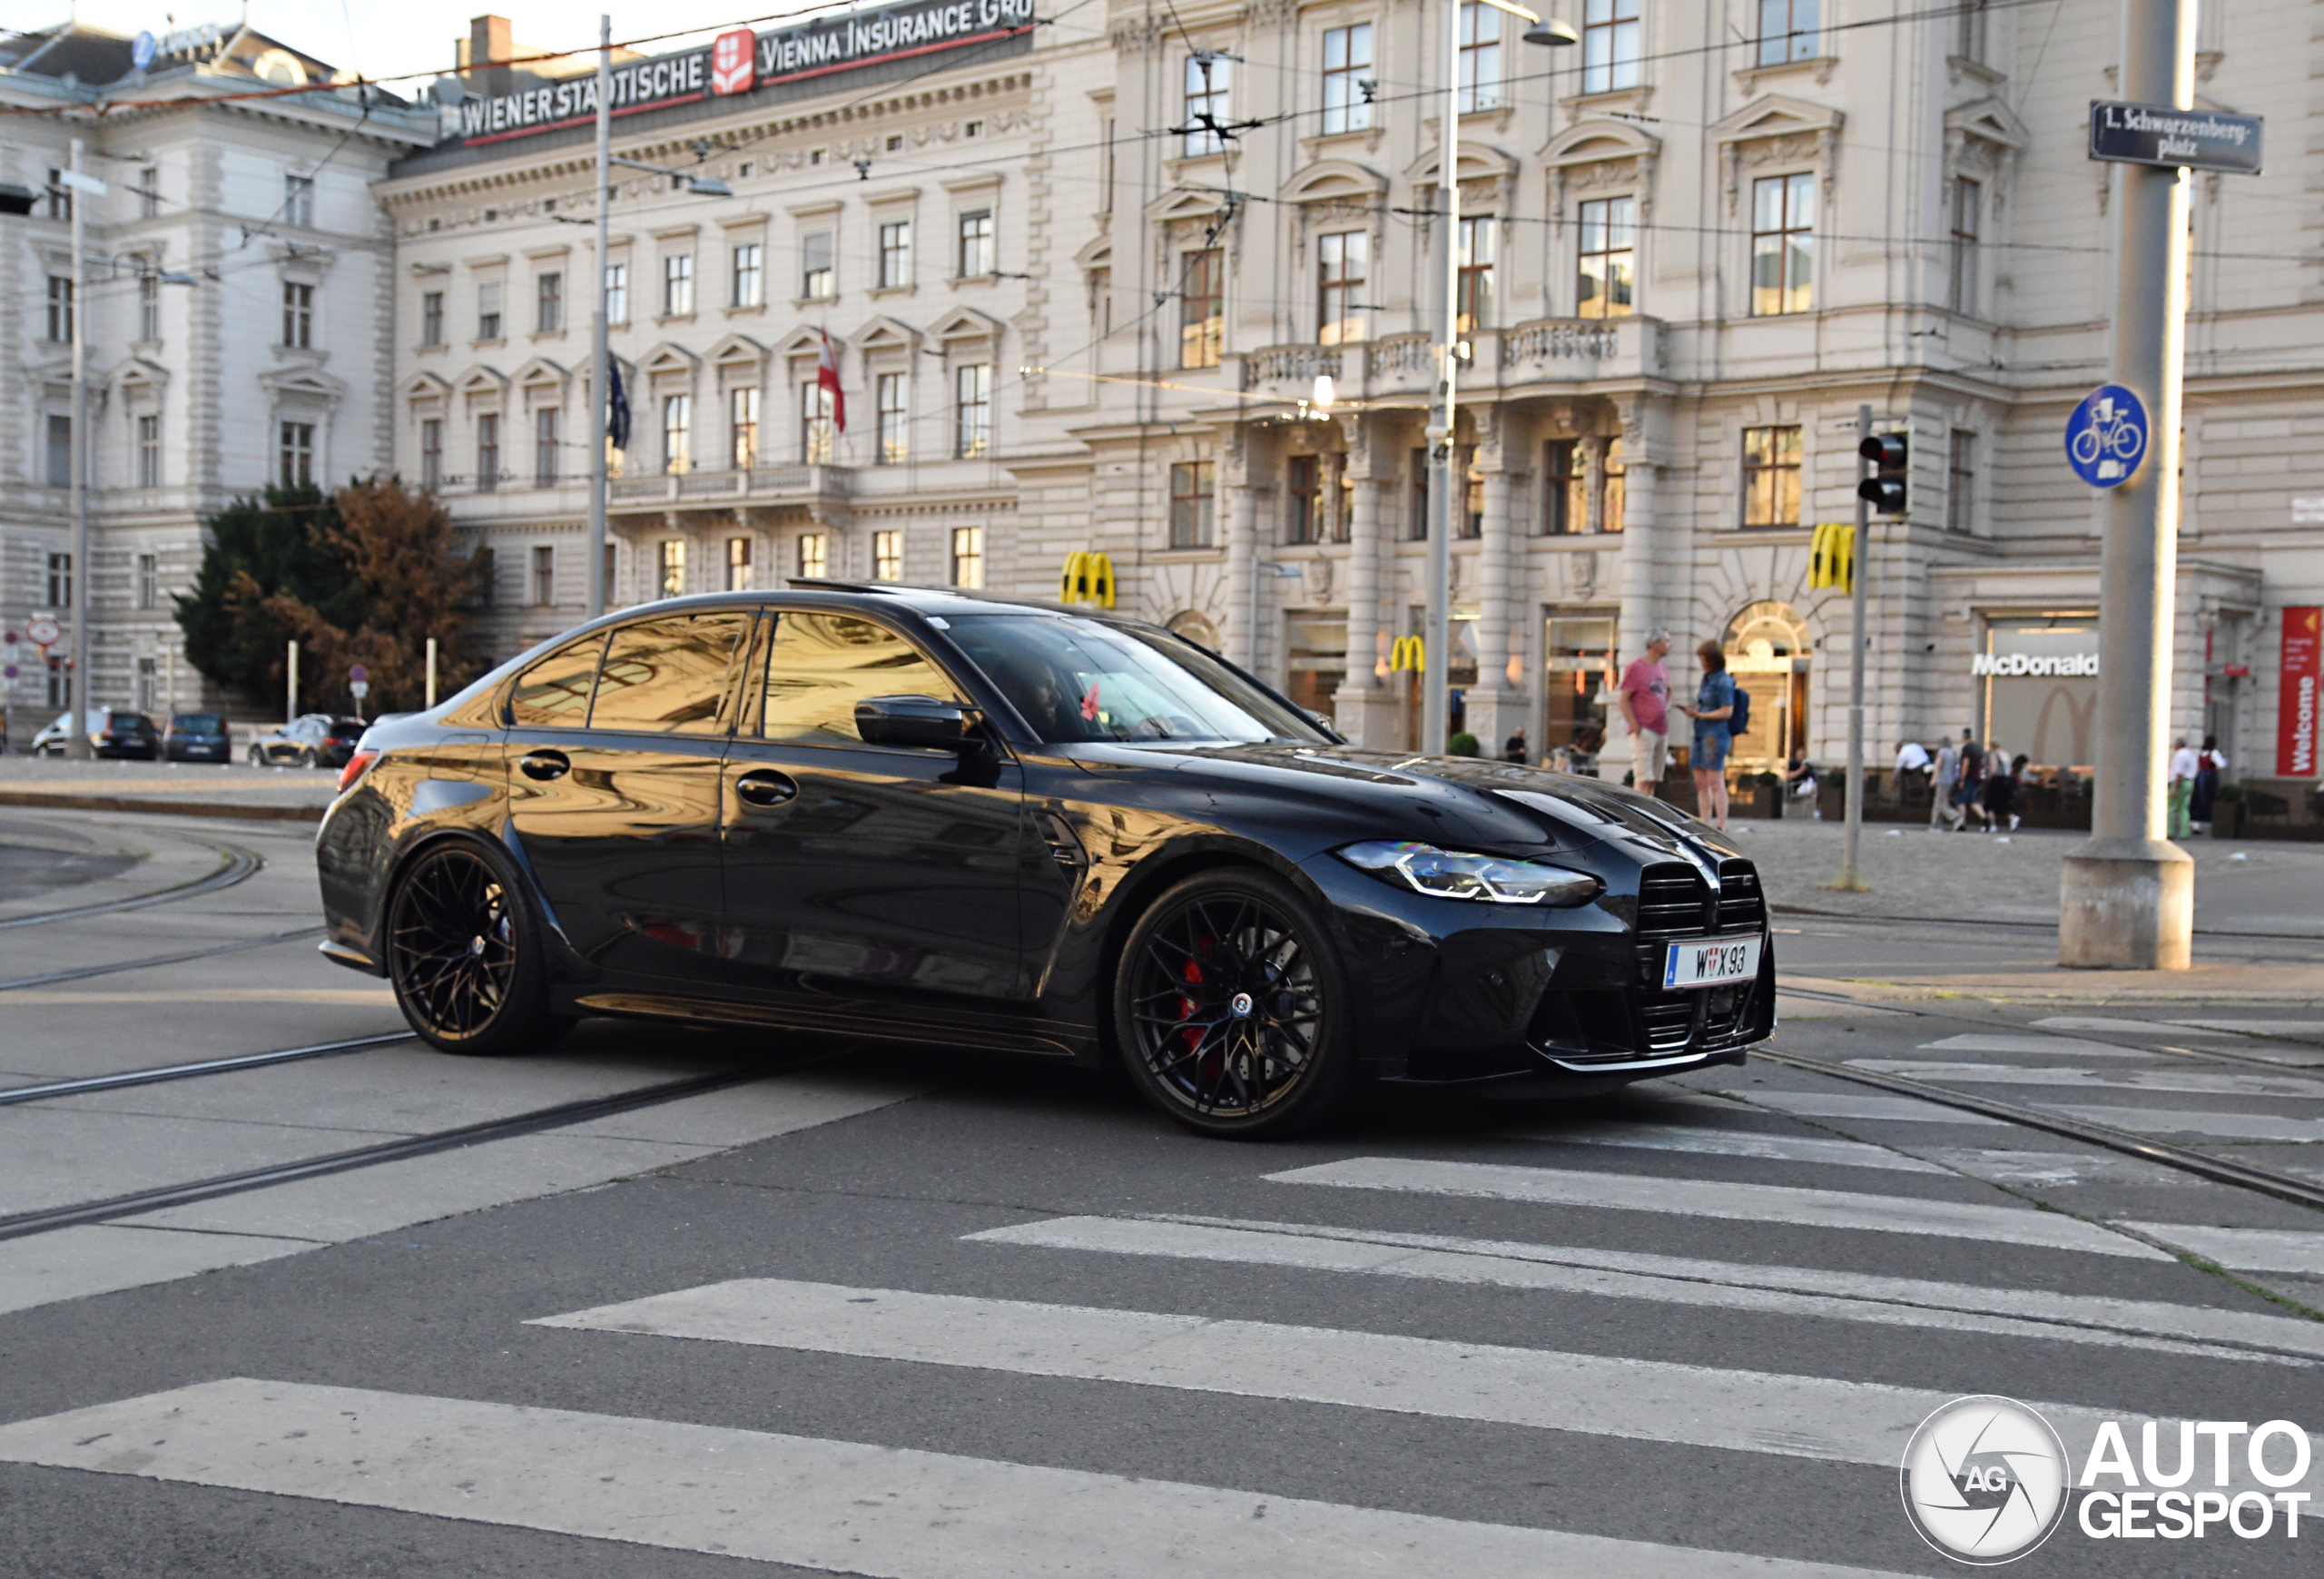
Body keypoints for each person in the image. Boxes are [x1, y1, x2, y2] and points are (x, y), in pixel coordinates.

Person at [1676, 639, 1736, 830]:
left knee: (1715, 779)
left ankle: (1721, 824)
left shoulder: (1723, 681)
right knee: (1700, 780)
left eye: (1704, 659)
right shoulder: (1706, 679)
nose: (1701, 663)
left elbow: (1727, 711)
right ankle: (1705, 821)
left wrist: (1701, 714)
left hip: (1715, 734)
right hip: (1700, 732)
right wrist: (1694, 710)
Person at [1616, 629, 1671, 793]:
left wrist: (1664, 708)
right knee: (1643, 777)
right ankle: (1638, 814)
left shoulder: (1662, 667)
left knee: (1653, 778)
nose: (1669, 645)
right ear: (1655, 644)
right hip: (1644, 729)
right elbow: (1623, 699)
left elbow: (1668, 690)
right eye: (1666, 641)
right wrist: (1635, 725)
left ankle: (1649, 815)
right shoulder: (1636, 667)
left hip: (1661, 729)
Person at [1980, 741, 2018, 832]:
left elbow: (1993, 768)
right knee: (2001, 803)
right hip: (2006, 780)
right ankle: (2012, 817)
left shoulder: (1994, 754)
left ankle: (1992, 825)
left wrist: (1988, 777)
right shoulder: (2005, 754)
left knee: (1990, 803)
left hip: (1996, 780)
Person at [2191, 735, 2227, 831]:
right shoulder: (2214, 753)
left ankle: (2196, 823)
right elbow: (2222, 764)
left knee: (2199, 798)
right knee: (2209, 798)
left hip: (2200, 776)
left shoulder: (2200, 753)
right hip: (2209, 777)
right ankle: (2207, 820)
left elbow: (2196, 767)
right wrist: (2215, 769)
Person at [1955, 729, 1988, 830]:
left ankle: (1962, 823)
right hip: (1977, 777)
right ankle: (1985, 819)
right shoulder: (1978, 747)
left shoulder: (1967, 748)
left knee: (1961, 801)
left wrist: (1962, 779)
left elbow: (1966, 763)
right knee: (1973, 801)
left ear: (1964, 737)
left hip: (1968, 777)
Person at [2168, 735, 2199, 839]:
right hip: (2189, 782)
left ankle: (2169, 831)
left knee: (2171, 808)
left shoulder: (2180, 755)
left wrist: (2175, 788)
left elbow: (2179, 772)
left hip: (2180, 783)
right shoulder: (2191, 755)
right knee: (2184, 809)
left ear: (2178, 745)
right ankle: (2184, 833)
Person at [1931, 735, 1962, 830]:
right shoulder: (1953, 753)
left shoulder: (1942, 752)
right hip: (1950, 780)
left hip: (1942, 780)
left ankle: (1956, 816)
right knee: (1937, 803)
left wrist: (1933, 779)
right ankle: (1936, 824)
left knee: (1941, 803)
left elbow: (1939, 766)